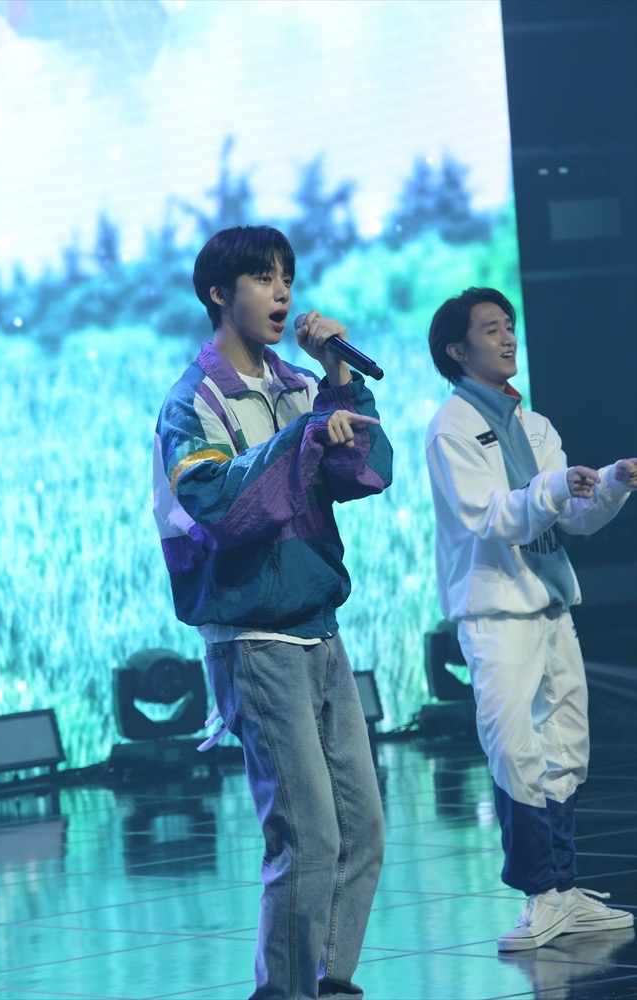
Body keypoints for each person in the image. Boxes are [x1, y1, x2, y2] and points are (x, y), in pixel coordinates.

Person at [153, 225, 393, 999]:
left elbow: (366, 471)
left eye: (287, 275)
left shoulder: (298, 382)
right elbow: (223, 507)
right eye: (263, 277)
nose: (282, 291)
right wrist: (304, 434)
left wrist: (338, 382)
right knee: (308, 835)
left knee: (361, 831)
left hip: (320, 630)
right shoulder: (192, 402)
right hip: (255, 639)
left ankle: (330, 981)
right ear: (219, 293)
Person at [424, 286, 636, 952]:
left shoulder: (536, 425)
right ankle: (539, 893)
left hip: (551, 603)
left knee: (567, 743)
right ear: (457, 351)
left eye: (509, 325)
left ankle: (565, 889)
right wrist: (552, 487)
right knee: (514, 748)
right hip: (495, 610)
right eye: (491, 329)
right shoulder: (451, 427)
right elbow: (488, 515)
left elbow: (568, 518)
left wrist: (609, 483)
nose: (508, 337)